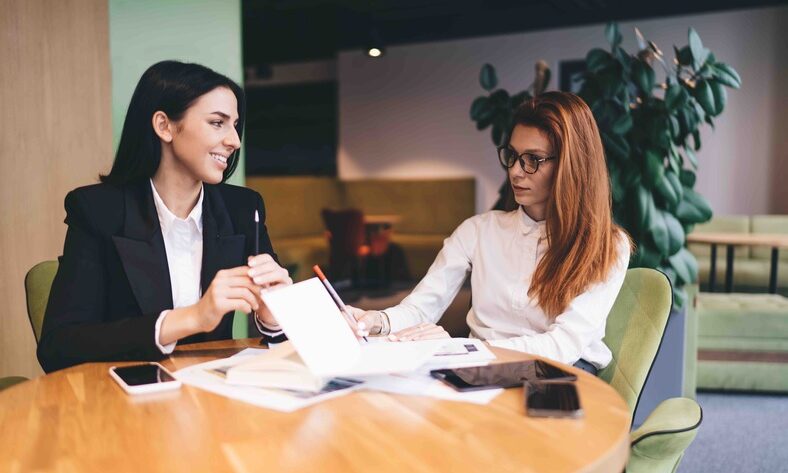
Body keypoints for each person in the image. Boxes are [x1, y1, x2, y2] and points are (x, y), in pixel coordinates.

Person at [349, 92, 632, 374]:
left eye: (533, 159)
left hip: (561, 372)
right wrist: (375, 320)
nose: (516, 172)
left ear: (571, 165)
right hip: (482, 368)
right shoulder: (478, 231)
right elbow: (421, 308)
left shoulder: (607, 245)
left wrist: (463, 351)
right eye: (512, 156)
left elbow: (563, 346)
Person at [37, 61, 291, 373]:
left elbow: (280, 340)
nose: (234, 141)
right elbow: (58, 346)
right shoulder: (97, 211)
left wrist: (272, 318)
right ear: (164, 126)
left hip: (217, 399)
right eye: (217, 123)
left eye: (235, 125)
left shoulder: (242, 209)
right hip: (126, 401)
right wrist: (193, 317)